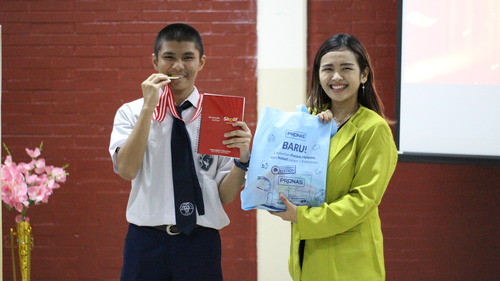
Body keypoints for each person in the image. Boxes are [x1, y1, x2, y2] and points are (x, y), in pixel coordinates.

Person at [109, 23, 252, 281]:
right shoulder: (131, 112)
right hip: (146, 241)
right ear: (155, 61)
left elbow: (225, 195)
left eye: (187, 57)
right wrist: (147, 109)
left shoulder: (220, 116)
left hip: (200, 242)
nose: (178, 66)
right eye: (169, 57)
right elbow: (127, 170)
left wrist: (243, 160)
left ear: (202, 62)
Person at [270, 33, 398, 280]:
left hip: (350, 263)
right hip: (306, 255)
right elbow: (285, 170)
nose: (336, 77)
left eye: (346, 68)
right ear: (318, 75)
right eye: (328, 69)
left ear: (363, 75)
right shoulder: (311, 121)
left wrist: (302, 216)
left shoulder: (374, 129)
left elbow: (363, 200)